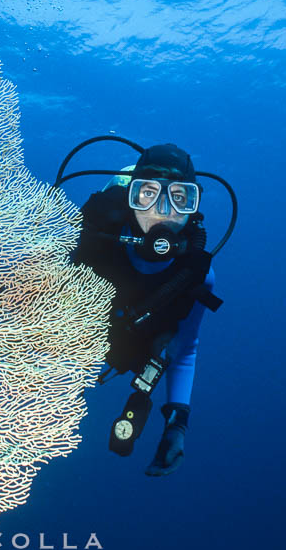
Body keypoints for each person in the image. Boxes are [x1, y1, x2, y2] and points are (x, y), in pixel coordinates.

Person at [71, 142, 225, 477]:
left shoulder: (197, 275)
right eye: (147, 194)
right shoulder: (88, 241)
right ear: (131, 196)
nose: (162, 210)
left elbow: (185, 349)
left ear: (192, 207)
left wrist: (177, 424)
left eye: (180, 197)